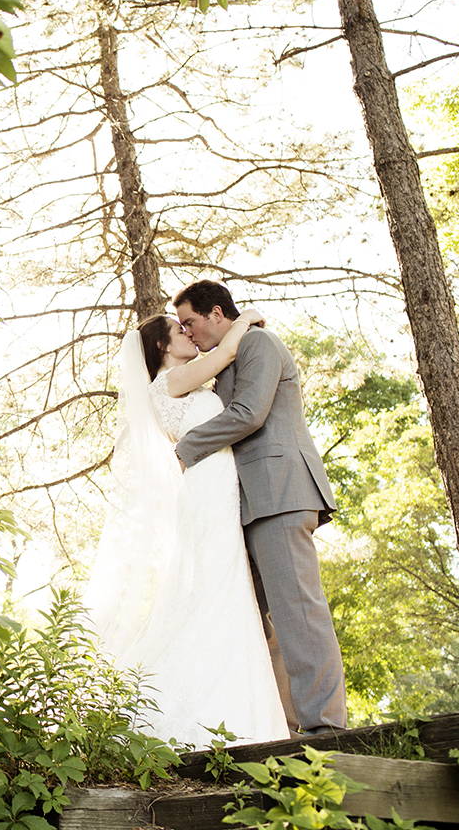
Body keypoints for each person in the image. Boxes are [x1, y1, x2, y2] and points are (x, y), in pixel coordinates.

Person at [83, 307, 289, 745]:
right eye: (180, 329)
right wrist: (244, 317)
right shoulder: (170, 381)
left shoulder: (184, 381)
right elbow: (228, 349)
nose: (189, 333)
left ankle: (229, 702)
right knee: (218, 584)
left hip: (215, 485)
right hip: (207, 490)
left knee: (221, 587)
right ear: (162, 345)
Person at [173, 280, 347, 736]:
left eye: (190, 322)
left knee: (299, 611)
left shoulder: (259, 343)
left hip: (280, 493)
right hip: (244, 505)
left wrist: (183, 449)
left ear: (216, 313)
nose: (187, 333)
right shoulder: (223, 362)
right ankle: (285, 728)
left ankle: (326, 727)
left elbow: (249, 413)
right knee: (258, 623)